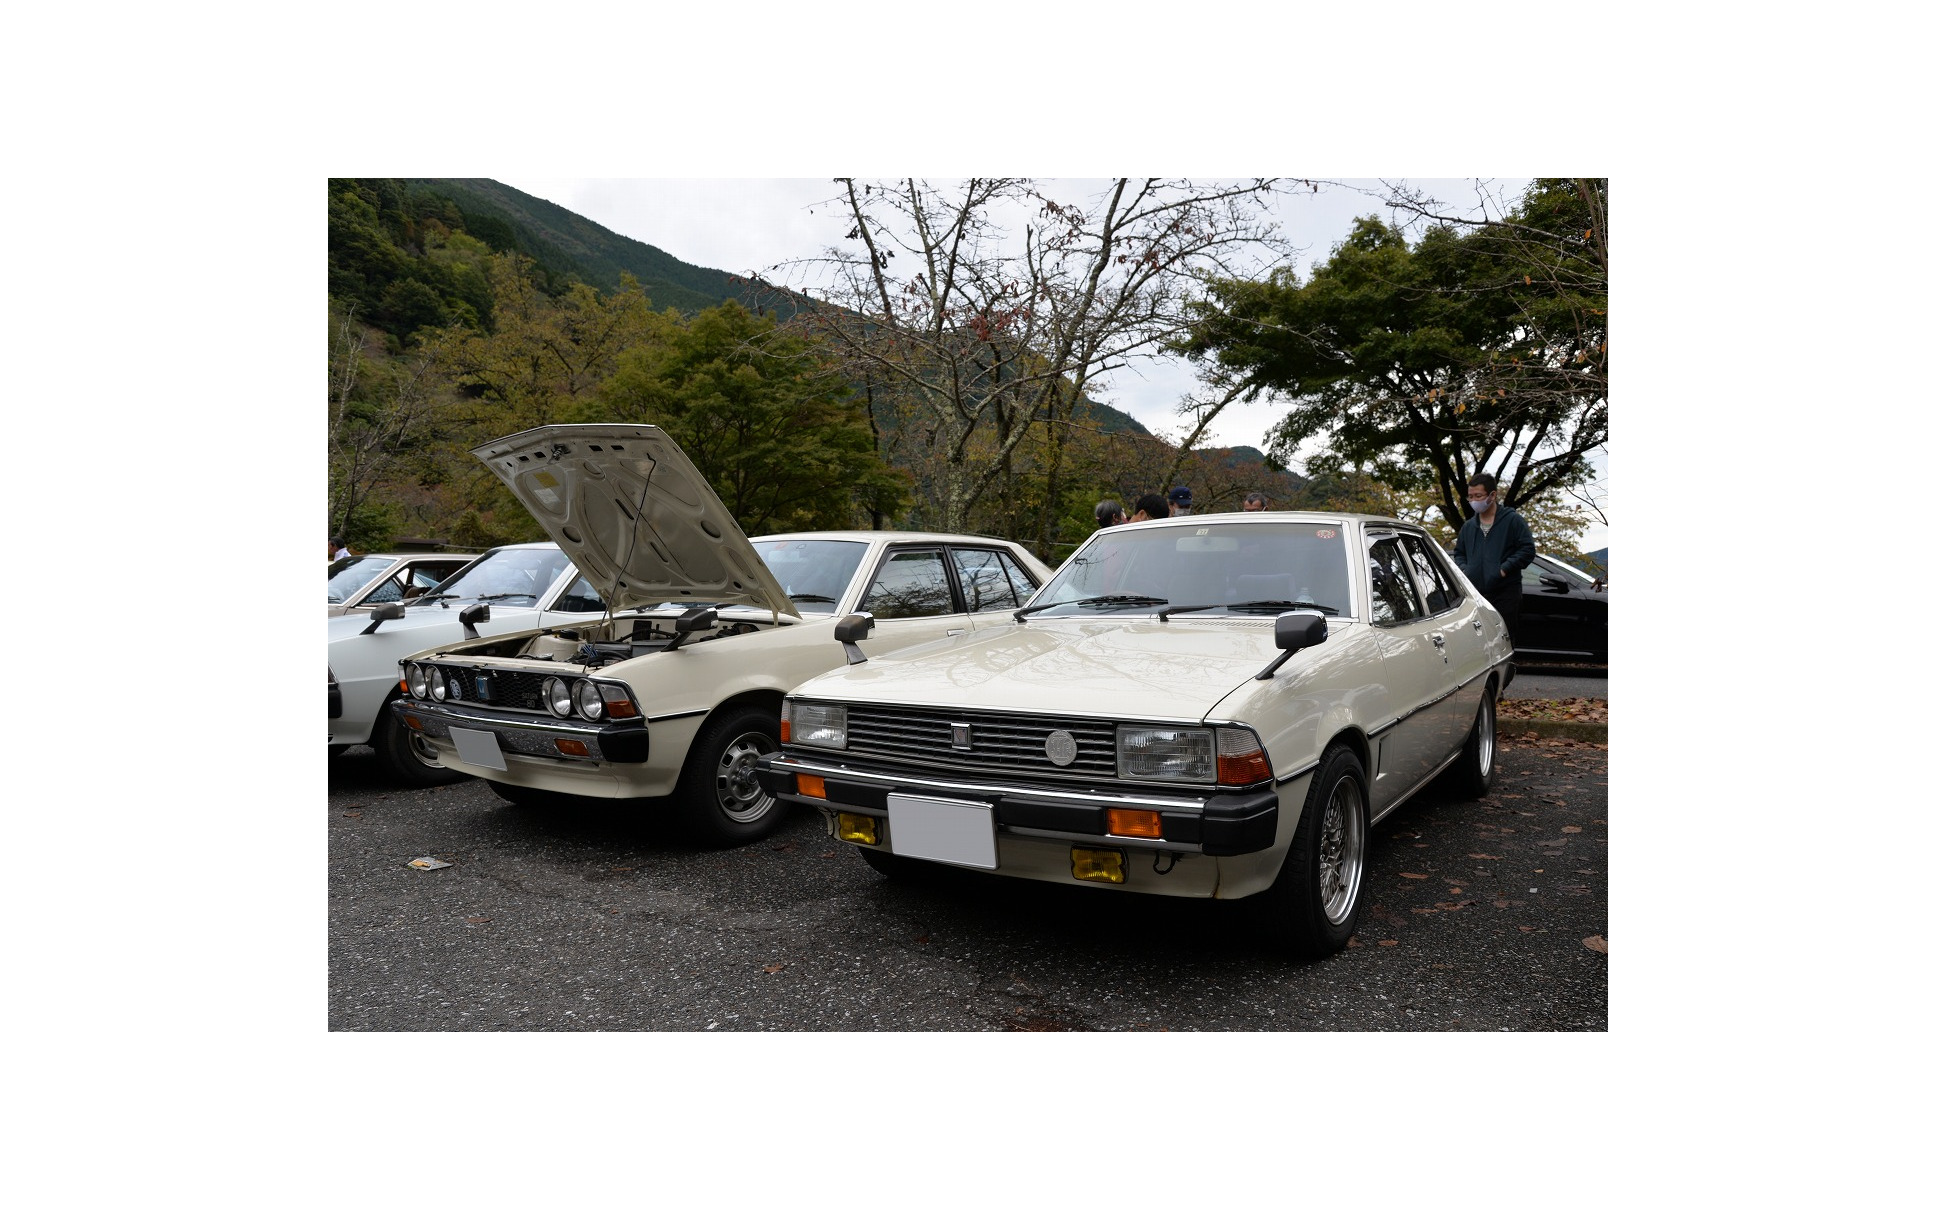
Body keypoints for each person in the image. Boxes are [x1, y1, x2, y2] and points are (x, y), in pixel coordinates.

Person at [1451, 472, 1536, 646]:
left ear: (1492, 495)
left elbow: (1527, 550)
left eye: (1478, 496)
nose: (1474, 500)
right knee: (1478, 643)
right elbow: (1459, 553)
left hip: (1505, 593)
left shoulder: (1513, 520)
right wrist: (1465, 569)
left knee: (1503, 641)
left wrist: (1504, 569)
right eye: (1471, 497)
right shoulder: (1468, 527)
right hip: (1475, 595)